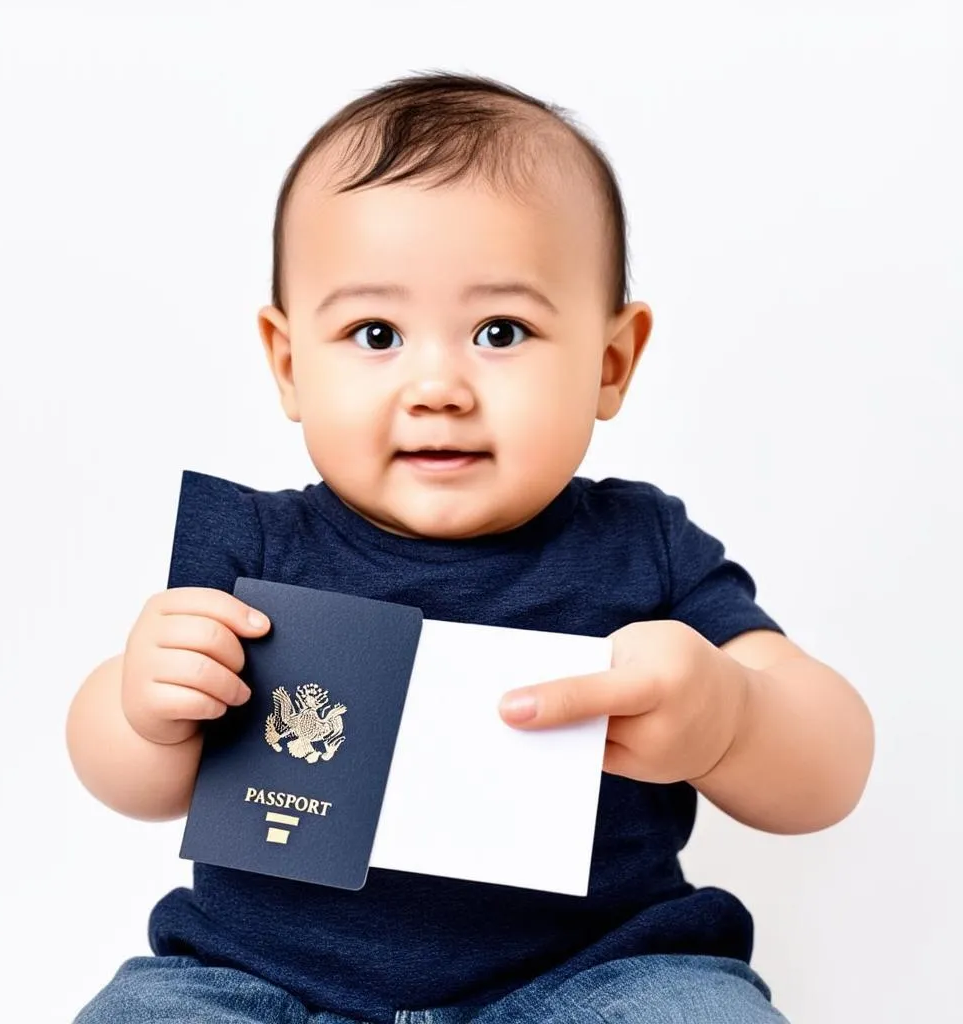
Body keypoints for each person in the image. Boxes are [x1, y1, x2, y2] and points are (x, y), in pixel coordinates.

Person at [66, 71, 874, 1023]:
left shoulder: (643, 547)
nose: (438, 385)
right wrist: (143, 708)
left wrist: (732, 715)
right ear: (289, 363)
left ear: (610, 363)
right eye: (376, 333)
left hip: (593, 980)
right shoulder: (256, 550)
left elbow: (832, 768)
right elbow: (132, 779)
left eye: (502, 331)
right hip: (260, 982)